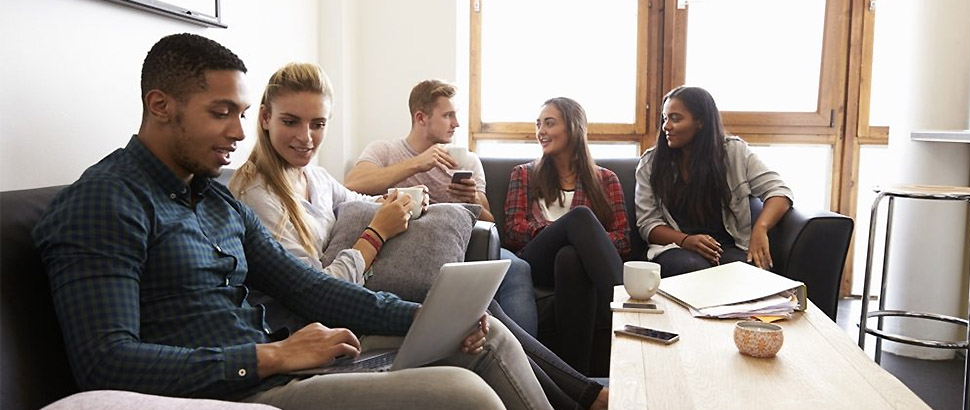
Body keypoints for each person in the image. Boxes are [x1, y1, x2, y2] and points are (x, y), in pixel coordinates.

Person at [32, 33, 552, 410]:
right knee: (461, 394)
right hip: (246, 386)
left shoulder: (213, 200)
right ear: (160, 105)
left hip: (286, 367)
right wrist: (270, 357)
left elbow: (311, 288)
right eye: (221, 112)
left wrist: (425, 317)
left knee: (487, 339)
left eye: (241, 112)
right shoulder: (105, 203)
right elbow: (105, 363)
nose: (239, 132)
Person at [231, 63, 608, 410]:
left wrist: (403, 204)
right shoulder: (259, 196)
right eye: (291, 122)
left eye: (318, 124)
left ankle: (585, 398)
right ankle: (587, 398)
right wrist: (377, 232)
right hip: (319, 331)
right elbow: (316, 292)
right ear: (265, 118)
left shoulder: (314, 177)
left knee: (483, 315)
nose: (306, 137)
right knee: (484, 330)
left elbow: (362, 200)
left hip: (352, 309)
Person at [344, 79, 538, 337]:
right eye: (448, 115)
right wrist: (417, 163)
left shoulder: (466, 160)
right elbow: (354, 184)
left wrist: (472, 199)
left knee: (516, 267)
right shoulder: (384, 150)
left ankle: (519, 358)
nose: (456, 124)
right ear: (421, 117)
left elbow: (490, 222)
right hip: (401, 248)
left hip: (462, 246)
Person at [503, 97, 630, 376]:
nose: (541, 132)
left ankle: (580, 383)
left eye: (549, 123)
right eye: (538, 125)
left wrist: (581, 242)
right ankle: (629, 309)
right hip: (537, 261)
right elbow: (513, 229)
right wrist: (561, 231)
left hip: (573, 267)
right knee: (581, 218)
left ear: (574, 128)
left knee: (571, 257)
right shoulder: (524, 174)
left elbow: (622, 239)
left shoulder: (606, 179)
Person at [635, 86, 793, 278]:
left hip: (727, 246)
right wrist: (686, 240)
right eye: (665, 118)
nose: (666, 126)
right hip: (675, 247)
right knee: (693, 269)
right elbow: (647, 224)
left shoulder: (735, 152)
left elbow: (778, 191)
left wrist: (761, 228)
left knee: (749, 273)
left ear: (700, 121)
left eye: (675, 118)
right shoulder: (650, 163)